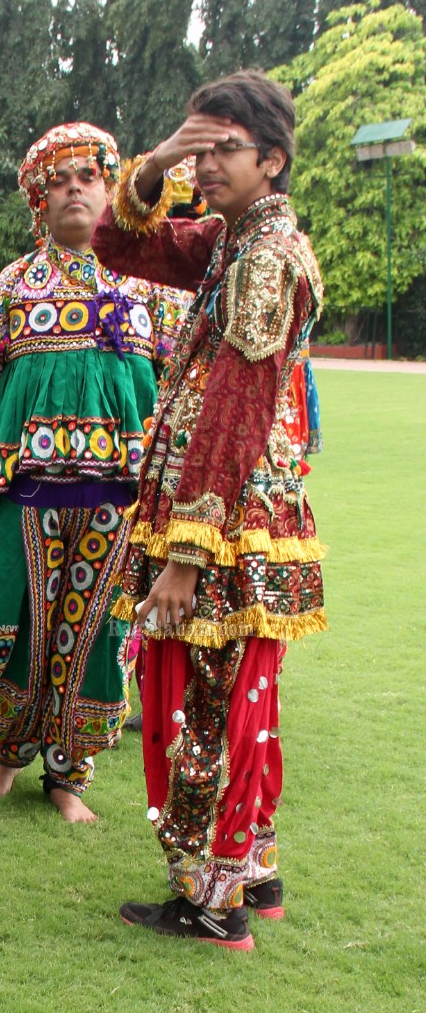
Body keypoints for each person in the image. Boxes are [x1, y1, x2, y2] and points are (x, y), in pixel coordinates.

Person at [92, 69, 326, 948]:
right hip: (234, 512)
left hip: (222, 523)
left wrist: (187, 553)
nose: (207, 164)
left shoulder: (263, 256)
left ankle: (210, 899)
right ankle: (248, 870)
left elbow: (235, 405)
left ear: (271, 160)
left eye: (223, 148)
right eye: (201, 145)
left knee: (201, 700)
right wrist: (155, 165)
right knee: (234, 696)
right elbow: (122, 243)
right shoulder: (236, 239)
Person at [0, 123, 184, 820]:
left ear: (110, 189)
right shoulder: (14, 284)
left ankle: (68, 776)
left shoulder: (150, 282)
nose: (74, 190)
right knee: (17, 619)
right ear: (40, 200)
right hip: (23, 491)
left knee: (95, 630)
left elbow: (186, 381)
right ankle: (5, 758)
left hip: (119, 497)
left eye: (88, 177)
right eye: (59, 181)